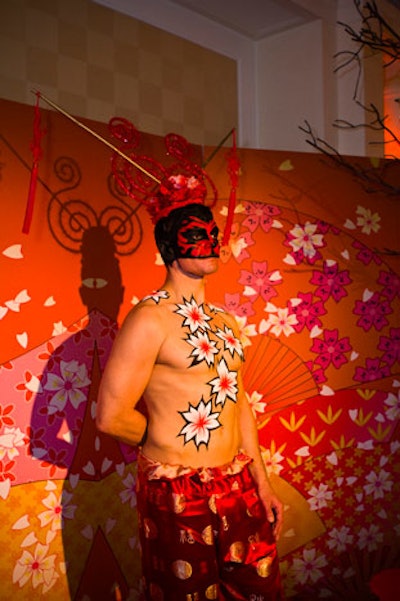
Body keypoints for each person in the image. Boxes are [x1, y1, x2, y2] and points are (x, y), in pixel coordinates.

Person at [96, 174, 284, 600]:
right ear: (170, 245)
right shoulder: (150, 318)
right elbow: (109, 415)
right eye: (195, 234)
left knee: (257, 590)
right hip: (177, 492)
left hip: (238, 483)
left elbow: (237, 402)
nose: (210, 241)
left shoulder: (226, 322)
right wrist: (163, 443)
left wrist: (262, 481)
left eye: (213, 232)